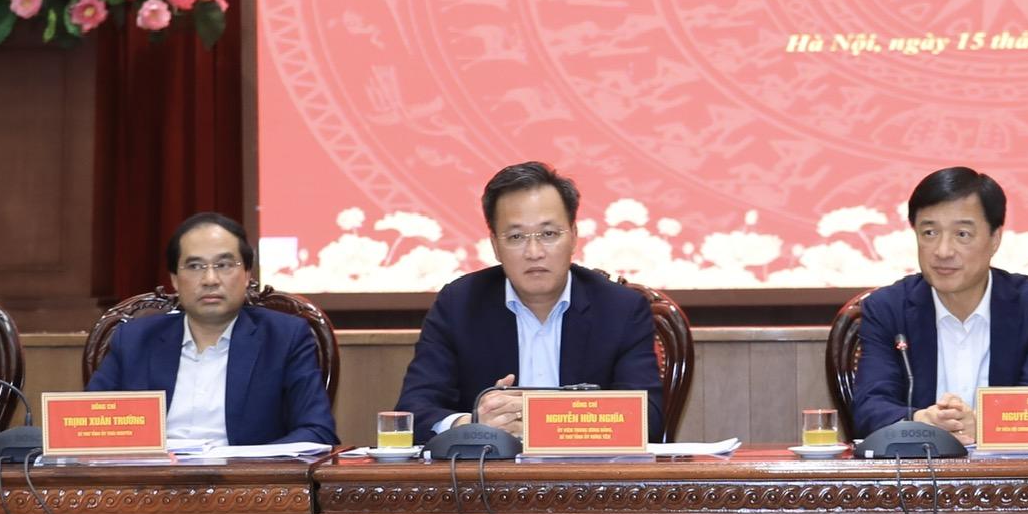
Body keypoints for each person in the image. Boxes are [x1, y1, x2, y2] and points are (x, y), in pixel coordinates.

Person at [396, 161, 666, 443]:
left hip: (587, 469)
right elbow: (412, 411)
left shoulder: (620, 309)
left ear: (574, 236)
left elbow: (648, 418)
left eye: (548, 234)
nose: (534, 252)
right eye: (516, 237)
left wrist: (546, 420)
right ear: (495, 246)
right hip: (489, 471)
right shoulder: (459, 305)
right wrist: (474, 424)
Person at [847, 167, 1028, 440]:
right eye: (929, 232)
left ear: (995, 239)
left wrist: (985, 425)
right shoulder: (888, 309)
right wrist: (921, 422)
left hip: (1011, 467)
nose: (943, 251)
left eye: (962, 234)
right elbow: (869, 409)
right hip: (917, 467)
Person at [87, 213, 336, 446]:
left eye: (224, 265)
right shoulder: (135, 339)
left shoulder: (284, 337)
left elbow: (317, 431)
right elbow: (88, 425)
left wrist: (249, 465)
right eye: (195, 266)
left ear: (247, 274)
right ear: (174, 279)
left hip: (245, 477)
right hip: (154, 476)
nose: (210, 280)